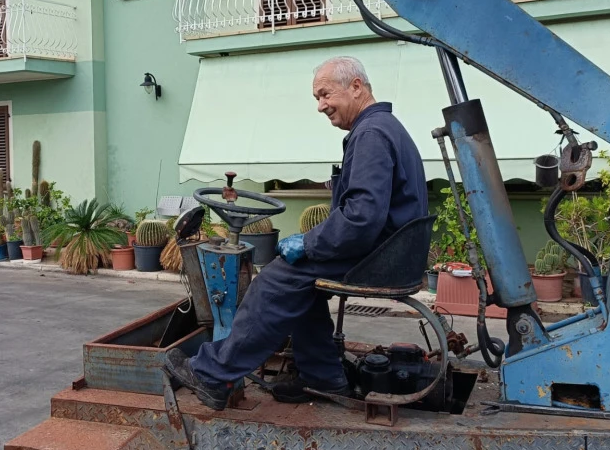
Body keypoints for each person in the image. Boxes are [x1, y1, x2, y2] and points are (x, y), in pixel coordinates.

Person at [164, 55, 428, 409]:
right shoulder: (382, 128)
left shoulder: (371, 135)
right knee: (302, 286)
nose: (320, 106)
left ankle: (213, 374)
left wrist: (308, 241)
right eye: (316, 98)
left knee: (276, 281)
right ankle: (324, 378)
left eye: (325, 94)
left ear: (356, 87)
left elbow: (361, 218)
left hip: (377, 255)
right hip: (389, 251)